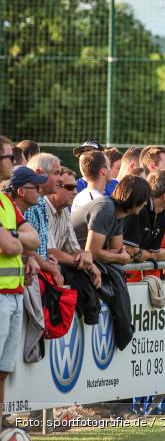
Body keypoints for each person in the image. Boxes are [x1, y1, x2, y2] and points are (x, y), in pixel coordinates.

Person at [0, 134, 28, 433]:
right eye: (9, 157)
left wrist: (15, 238)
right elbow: (9, 247)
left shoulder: (7, 203)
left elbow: (26, 241)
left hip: (14, 294)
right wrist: (17, 241)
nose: (14, 161)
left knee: (3, 371)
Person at [72, 174, 151, 265]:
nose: (145, 204)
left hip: (79, 259)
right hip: (68, 258)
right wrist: (119, 257)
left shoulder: (119, 213)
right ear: (135, 198)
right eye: (144, 199)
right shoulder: (105, 209)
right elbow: (91, 253)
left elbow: (118, 250)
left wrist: (120, 255)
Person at [122, 170, 165, 281]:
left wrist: (140, 253)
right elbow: (129, 249)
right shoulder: (138, 208)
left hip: (147, 279)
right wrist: (147, 254)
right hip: (125, 278)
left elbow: (154, 254)